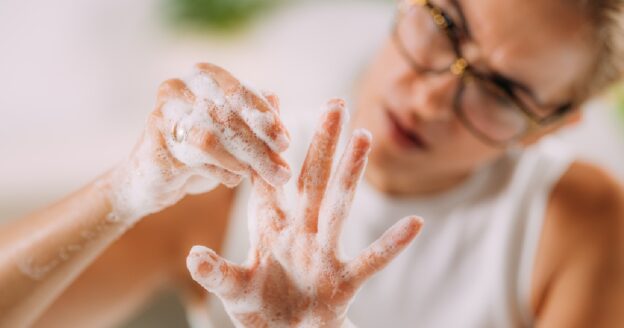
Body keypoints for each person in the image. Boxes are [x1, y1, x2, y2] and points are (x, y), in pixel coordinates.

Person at [1, 0, 623, 327]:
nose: (432, 95)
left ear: (555, 125)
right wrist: (125, 189)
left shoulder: (580, 227)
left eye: (501, 90)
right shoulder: (226, 175)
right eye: (445, 23)